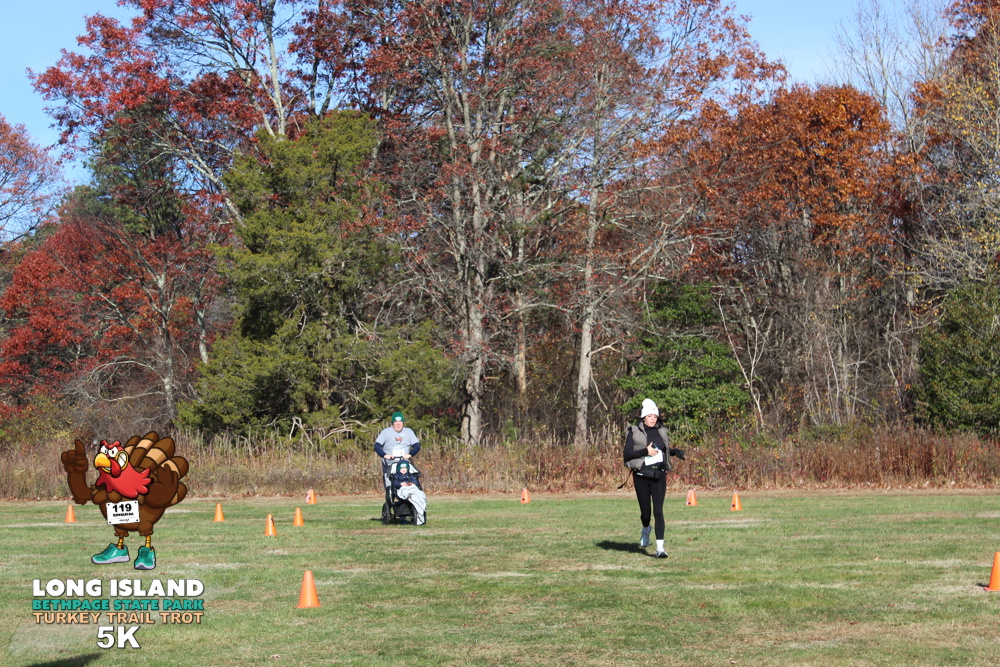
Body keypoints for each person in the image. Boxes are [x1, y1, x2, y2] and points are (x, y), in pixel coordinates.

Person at [622, 398, 684, 558]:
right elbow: (627, 454)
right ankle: (645, 528)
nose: (653, 419)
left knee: (658, 510)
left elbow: (663, 449)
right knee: (646, 513)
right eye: (650, 416)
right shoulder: (634, 431)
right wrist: (645, 452)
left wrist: (675, 452)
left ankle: (660, 548)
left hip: (659, 475)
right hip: (641, 476)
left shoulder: (661, 431)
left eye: (655, 416)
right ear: (644, 417)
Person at [375, 411, 426, 525]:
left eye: (400, 421)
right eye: (396, 422)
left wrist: (410, 454)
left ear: (403, 422)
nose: (398, 424)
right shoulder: (386, 432)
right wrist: (384, 455)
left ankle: (411, 508)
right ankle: (391, 506)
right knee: (390, 488)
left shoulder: (408, 432)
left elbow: (416, 445)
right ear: (393, 423)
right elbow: (377, 445)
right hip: (390, 464)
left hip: (404, 465)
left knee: (410, 484)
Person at [391, 460, 426, 526]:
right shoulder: (396, 476)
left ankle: (416, 498)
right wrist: (401, 484)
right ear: (398, 469)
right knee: (404, 491)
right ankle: (407, 495)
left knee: (418, 492)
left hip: (411, 488)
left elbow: (416, 483)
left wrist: (412, 484)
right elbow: (395, 484)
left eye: (405, 468)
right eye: (402, 468)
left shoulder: (411, 476)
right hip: (402, 489)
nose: (403, 470)